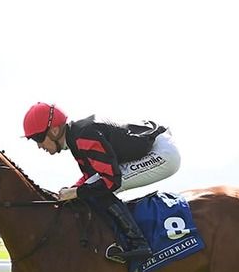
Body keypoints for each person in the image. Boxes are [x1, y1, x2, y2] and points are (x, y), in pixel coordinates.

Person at [22, 102, 181, 263]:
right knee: (93, 188)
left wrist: (76, 192)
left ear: (54, 130)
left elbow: (111, 181)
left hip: (162, 153)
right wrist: (73, 190)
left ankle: (139, 244)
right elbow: (90, 177)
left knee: (100, 189)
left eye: (38, 138)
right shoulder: (76, 137)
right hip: (154, 145)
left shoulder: (83, 136)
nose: (39, 146)